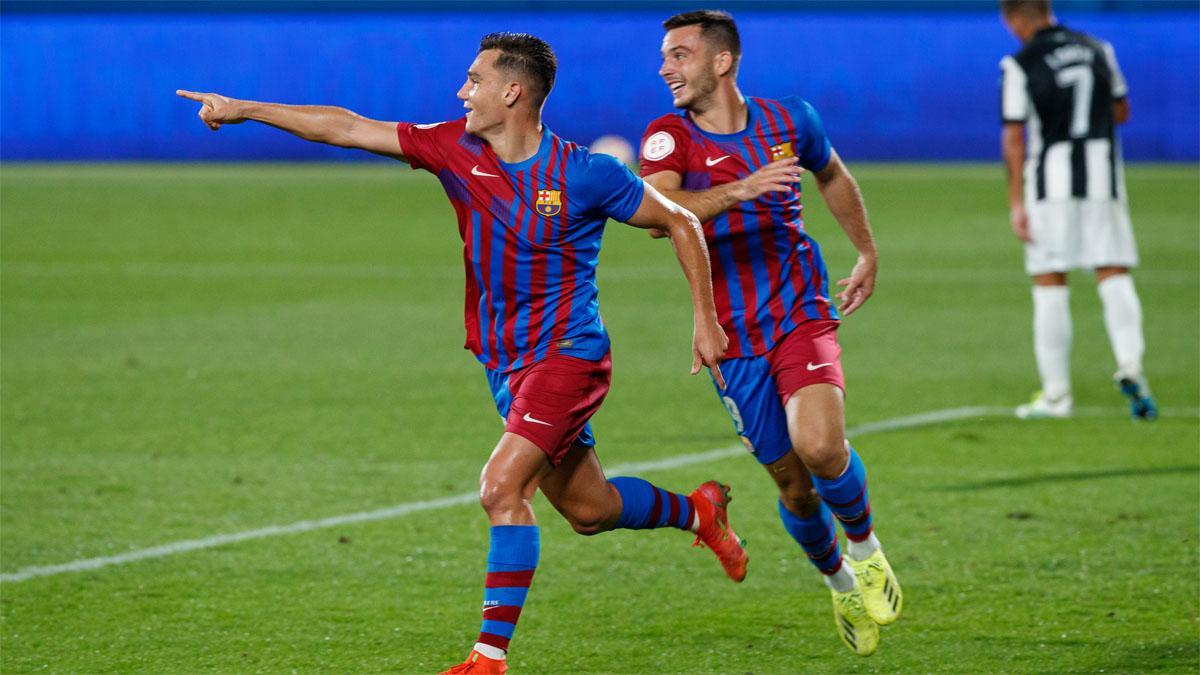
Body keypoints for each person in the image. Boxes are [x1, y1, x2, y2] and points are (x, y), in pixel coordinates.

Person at [178, 32, 748, 675]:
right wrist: (247, 108)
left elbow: (682, 219)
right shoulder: (454, 147)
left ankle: (488, 658)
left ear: (512, 92)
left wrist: (705, 320)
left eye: (474, 80)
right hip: (503, 363)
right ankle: (699, 511)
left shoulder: (586, 174)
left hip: (568, 357)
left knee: (502, 487)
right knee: (590, 510)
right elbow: (346, 128)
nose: (461, 91)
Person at [638, 10, 900, 657]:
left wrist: (865, 249)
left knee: (819, 443)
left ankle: (865, 552)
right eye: (666, 56)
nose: (666, 67)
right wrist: (740, 189)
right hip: (730, 335)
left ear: (721, 61)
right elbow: (655, 211)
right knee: (792, 484)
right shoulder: (670, 138)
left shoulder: (791, 122)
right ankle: (838, 580)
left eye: (679, 54)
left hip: (798, 310)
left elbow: (831, 172)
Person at [999, 0, 1157, 420]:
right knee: (1113, 269)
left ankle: (1056, 397)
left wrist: (1016, 202)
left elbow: (1014, 135)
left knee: (1050, 281)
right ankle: (1131, 365)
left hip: (1051, 186)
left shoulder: (1019, 63)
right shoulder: (1098, 48)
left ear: (1013, 18)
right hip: (1103, 178)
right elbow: (1121, 110)